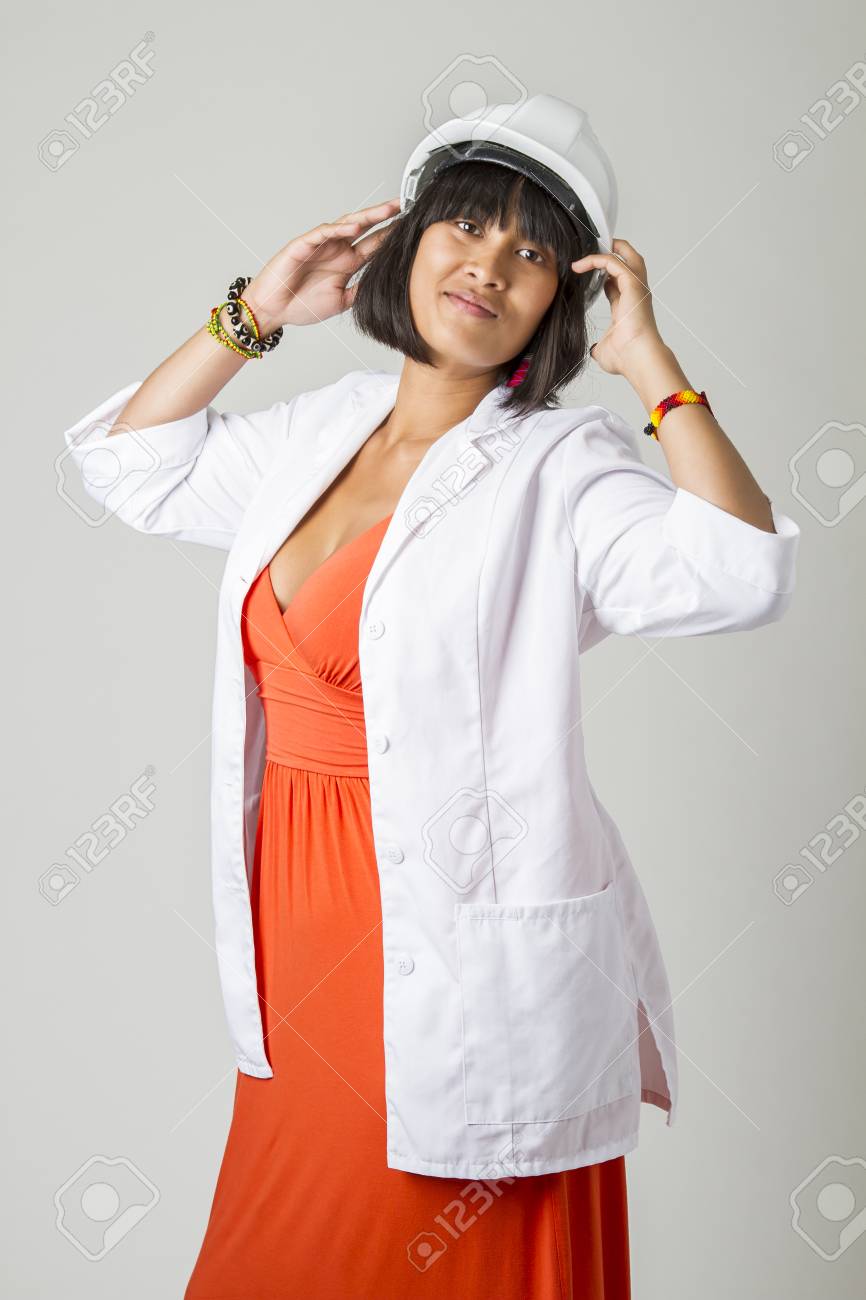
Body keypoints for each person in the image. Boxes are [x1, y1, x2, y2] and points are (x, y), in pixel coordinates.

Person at [61, 97, 800, 1298]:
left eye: (531, 251)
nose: (488, 266)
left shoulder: (562, 469)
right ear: (408, 243)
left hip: (450, 953)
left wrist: (651, 368)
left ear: (561, 300)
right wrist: (254, 313)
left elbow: (740, 571)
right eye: (466, 225)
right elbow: (125, 465)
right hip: (295, 938)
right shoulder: (320, 433)